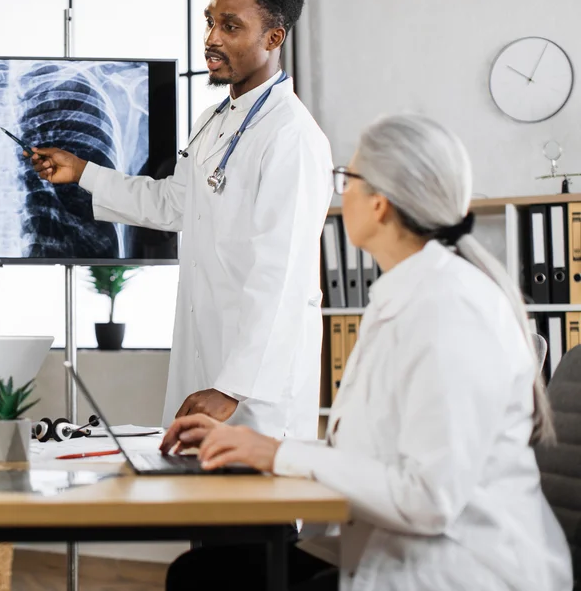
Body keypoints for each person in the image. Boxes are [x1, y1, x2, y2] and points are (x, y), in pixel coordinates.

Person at [161, 114, 573, 590]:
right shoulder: (405, 296)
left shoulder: (452, 313)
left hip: (460, 571)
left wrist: (275, 453)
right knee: (203, 573)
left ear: (379, 204)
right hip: (397, 550)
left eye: (347, 179)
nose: (340, 193)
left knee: (204, 578)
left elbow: (428, 499)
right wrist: (253, 449)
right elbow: (372, 457)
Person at [27, 0, 333, 439]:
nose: (211, 37)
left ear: (274, 39)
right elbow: (174, 204)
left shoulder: (290, 136)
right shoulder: (213, 120)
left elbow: (283, 275)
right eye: (210, 21)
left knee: (254, 510)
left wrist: (233, 387)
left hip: (253, 389)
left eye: (231, 26)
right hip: (204, 359)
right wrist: (83, 172)